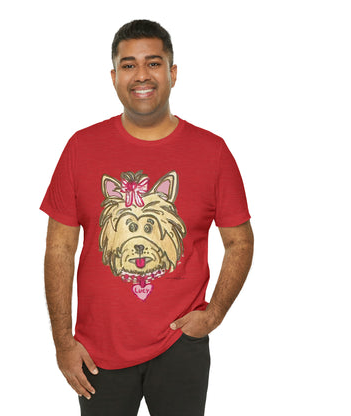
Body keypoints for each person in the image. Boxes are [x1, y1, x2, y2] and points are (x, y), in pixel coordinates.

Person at [40, 19, 254, 416]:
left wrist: (214, 313)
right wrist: (62, 342)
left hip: (180, 344)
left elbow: (239, 241)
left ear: (173, 73)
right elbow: (59, 250)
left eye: (153, 63)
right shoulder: (81, 148)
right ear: (114, 77)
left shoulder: (212, 152)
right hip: (97, 349)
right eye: (129, 65)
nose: (141, 75)